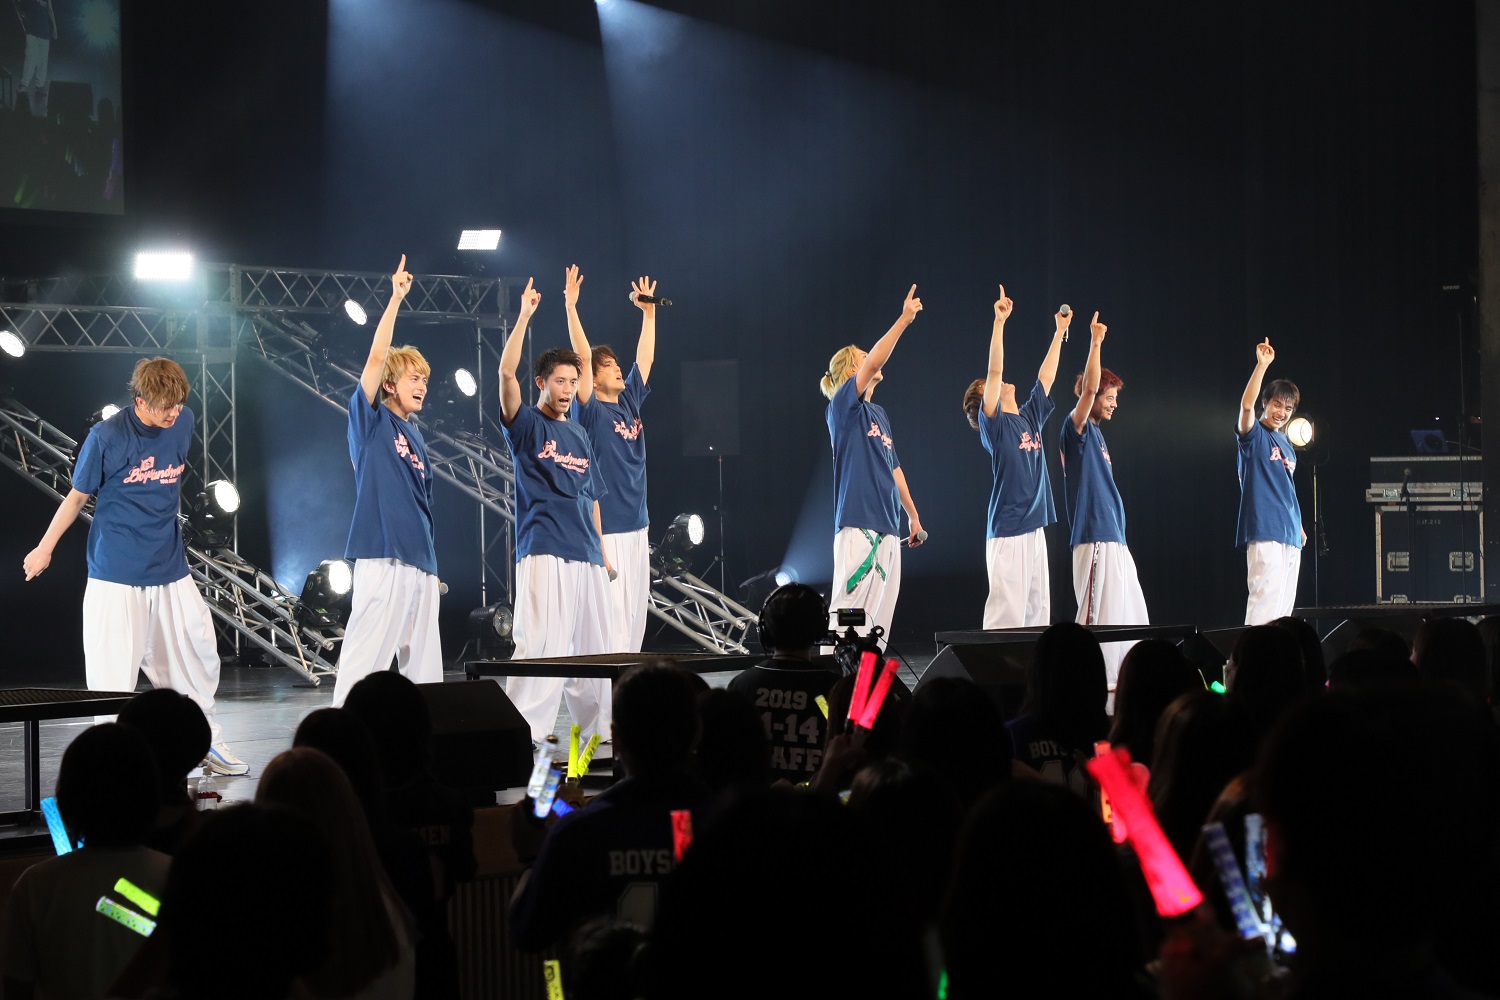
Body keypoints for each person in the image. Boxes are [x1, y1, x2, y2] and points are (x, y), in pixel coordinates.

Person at [22, 356, 247, 776]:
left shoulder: (183, 421)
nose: (173, 413)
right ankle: (108, 763)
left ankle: (204, 742)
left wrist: (176, 413)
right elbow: (76, 498)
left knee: (196, 654)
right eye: (165, 407)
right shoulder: (106, 437)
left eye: (178, 404)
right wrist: (44, 548)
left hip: (169, 567)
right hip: (116, 573)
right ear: (140, 401)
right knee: (111, 677)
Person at [499, 273, 613, 743]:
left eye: (573, 381)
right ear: (542, 383)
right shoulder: (527, 425)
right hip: (545, 547)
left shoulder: (580, 433)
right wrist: (525, 315)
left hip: (586, 553)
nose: (568, 388)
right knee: (541, 643)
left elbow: (592, 497)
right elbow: (507, 375)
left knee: (596, 651)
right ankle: (525, 730)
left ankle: (601, 731)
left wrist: (603, 553)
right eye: (560, 381)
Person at [332, 254, 443, 708]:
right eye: (414, 378)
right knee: (366, 659)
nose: (422, 386)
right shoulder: (370, 422)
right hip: (381, 555)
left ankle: (429, 737)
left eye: (425, 380)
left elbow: (423, 505)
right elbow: (378, 357)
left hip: (421, 562)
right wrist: (395, 299)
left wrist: (432, 565)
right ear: (391, 385)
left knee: (426, 670)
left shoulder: (416, 437)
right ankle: (341, 733)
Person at [0, 724, 167, 1000]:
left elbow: (16, 986)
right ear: (152, 797)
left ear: (67, 801)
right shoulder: (176, 878)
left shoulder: (36, 885)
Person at [819, 284, 926, 647]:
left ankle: (867, 679)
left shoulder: (878, 414)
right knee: (849, 612)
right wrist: (904, 320)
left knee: (879, 619)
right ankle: (834, 676)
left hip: (888, 529)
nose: (871, 359)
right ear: (853, 368)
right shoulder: (842, 408)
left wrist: (913, 516)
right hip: (858, 524)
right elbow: (876, 362)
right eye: (863, 357)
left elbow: (894, 469)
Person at [963, 284, 1068, 628]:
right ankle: (994, 664)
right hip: (1008, 529)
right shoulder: (994, 425)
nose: (1000, 381)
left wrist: (1060, 332)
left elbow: (1046, 377)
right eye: (989, 387)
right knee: (1006, 619)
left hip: (1034, 527)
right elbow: (995, 372)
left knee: (1038, 615)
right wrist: (999, 323)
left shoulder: (1028, 417)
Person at [568, 266, 658, 653]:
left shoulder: (629, 402)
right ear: (592, 377)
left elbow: (645, 359)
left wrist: (649, 315)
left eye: (616, 364)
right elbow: (582, 357)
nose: (618, 368)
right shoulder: (590, 410)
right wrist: (571, 308)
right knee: (614, 621)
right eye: (607, 366)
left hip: (639, 526)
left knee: (636, 621)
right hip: (609, 528)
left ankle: (629, 686)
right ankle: (609, 689)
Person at [1059, 311, 1148, 687]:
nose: (1113, 404)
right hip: (1094, 536)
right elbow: (1089, 390)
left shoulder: (1098, 435)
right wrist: (1095, 343)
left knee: (1130, 617)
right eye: (1109, 397)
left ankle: (1121, 686)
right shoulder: (1075, 428)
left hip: (1114, 537)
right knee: (1096, 621)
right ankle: (1082, 687)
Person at [727, 583, 841, 783]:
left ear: (764, 630)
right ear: (820, 630)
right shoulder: (833, 689)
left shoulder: (741, 685)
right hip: (817, 799)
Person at [1235, 338, 1304, 625]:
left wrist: (1298, 525)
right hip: (1264, 528)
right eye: (1277, 404)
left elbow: (1286, 488)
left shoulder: (1286, 442)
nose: (1282, 412)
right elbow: (1246, 406)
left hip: (1290, 532)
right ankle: (1253, 654)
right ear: (1266, 403)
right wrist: (1262, 365)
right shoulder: (1253, 435)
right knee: (1264, 606)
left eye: (1288, 408)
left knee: (1283, 614)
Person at [14, 0, 57, 119]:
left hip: (44, 32)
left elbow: (50, 11)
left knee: (43, 60)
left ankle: (40, 85)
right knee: (30, 57)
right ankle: (24, 84)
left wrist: (54, 28)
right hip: (32, 31)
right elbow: (21, 7)